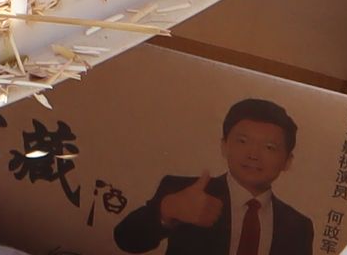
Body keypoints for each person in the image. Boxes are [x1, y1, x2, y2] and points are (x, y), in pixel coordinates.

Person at [115, 101, 315, 255]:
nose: (253, 154)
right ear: (224, 146)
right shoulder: (188, 192)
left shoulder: (298, 226)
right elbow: (125, 239)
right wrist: (168, 209)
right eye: (242, 141)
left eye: (269, 147)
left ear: (287, 161)